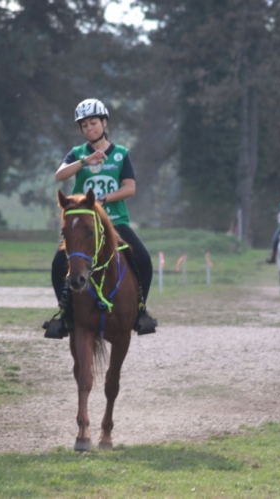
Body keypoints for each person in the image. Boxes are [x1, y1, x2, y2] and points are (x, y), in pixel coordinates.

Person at [43, 98, 158, 339]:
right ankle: (65, 314)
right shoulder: (77, 154)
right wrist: (85, 161)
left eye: (93, 123)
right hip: (84, 224)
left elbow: (130, 188)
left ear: (104, 122)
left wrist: (103, 200)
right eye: (84, 125)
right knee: (57, 264)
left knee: (144, 260)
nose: (89, 128)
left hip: (115, 220)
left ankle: (140, 311)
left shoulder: (121, 155)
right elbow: (59, 175)